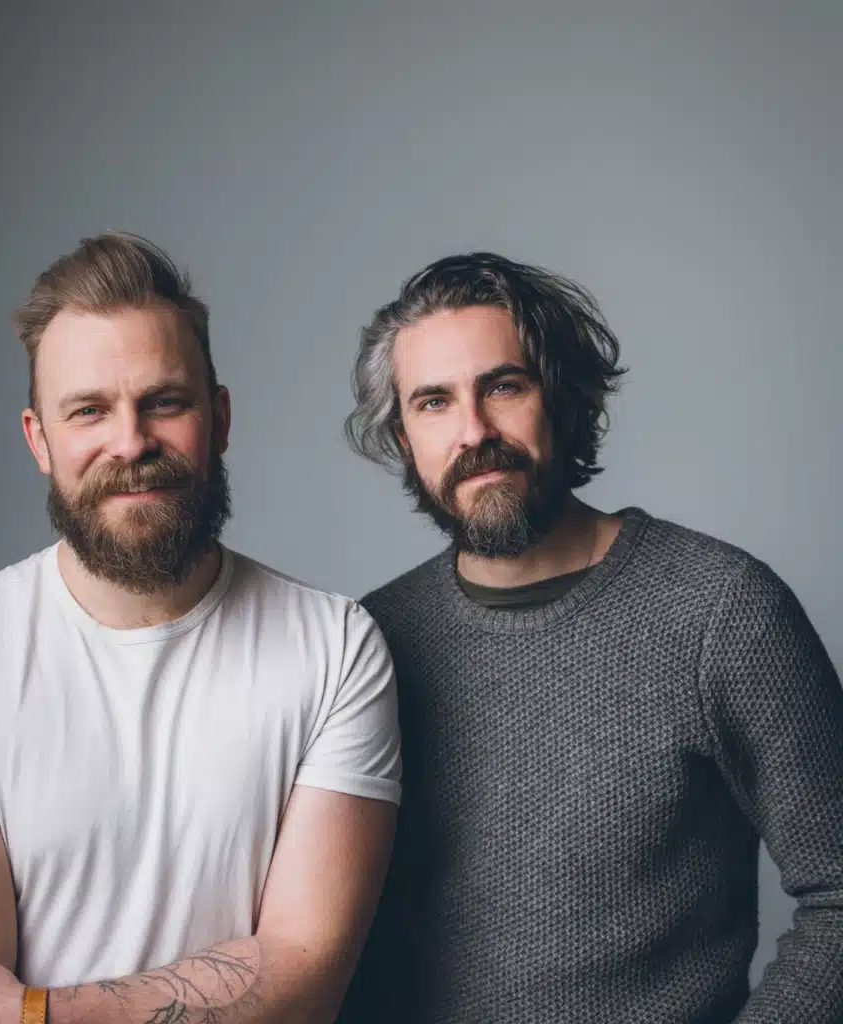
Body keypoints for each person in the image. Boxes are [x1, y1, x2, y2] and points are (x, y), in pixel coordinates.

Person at [0, 232, 401, 1024]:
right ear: (40, 440)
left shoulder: (335, 646)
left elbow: (303, 977)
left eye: (164, 403)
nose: (131, 442)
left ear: (219, 418)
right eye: (89, 411)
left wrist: (32, 1012)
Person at [338, 253, 843, 1023]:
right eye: (434, 402)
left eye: (504, 386)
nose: (474, 431)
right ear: (405, 439)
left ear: (567, 399)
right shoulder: (369, 644)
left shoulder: (722, 611)